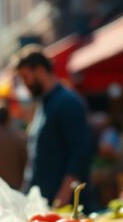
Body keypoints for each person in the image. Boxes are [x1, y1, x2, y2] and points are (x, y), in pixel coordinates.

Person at [14, 45, 93, 206]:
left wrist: (62, 198)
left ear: (40, 70)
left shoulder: (67, 102)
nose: (25, 84)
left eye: (25, 77)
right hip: (44, 205)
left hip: (65, 209)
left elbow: (80, 153)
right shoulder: (43, 105)